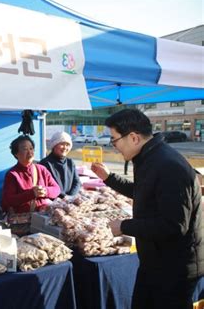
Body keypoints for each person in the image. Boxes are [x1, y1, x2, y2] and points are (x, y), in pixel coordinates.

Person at [90, 109, 203, 309]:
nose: (114, 146)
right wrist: (109, 178)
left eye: (115, 140)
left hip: (174, 268)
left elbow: (174, 225)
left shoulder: (168, 166)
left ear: (133, 137)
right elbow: (144, 192)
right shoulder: (148, 158)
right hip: (155, 261)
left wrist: (124, 226)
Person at [2, 135, 61, 213]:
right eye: (25, 149)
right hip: (24, 219)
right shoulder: (12, 174)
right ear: (16, 154)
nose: (30, 152)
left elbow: (57, 189)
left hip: (44, 215)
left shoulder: (41, 169)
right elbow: (9, 200)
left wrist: (45, 191)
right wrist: (32, 193)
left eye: (31, 148)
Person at [39, 132, 81, 198]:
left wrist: (70, 196)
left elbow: (77, 182)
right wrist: (64, 197)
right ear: (54, 145)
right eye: (62, 144)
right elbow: (45, 186)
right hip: (52, 202)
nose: (65, 147)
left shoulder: (70, 162)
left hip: (69, 202)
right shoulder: (44, 164)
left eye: (67, 145)